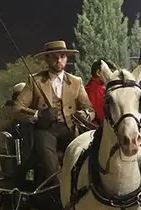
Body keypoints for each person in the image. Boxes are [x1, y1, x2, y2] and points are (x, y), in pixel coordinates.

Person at [11, 40, 94, 178]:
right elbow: (16, 109)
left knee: (82, 160)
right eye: (54, 56)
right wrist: (39, 114)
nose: (59, 60)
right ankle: (56, 188)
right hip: (45, 131)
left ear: (66, 58)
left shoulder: (76, 82)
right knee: (50, 164)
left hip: (70, 129)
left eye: (62, 56)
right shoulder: (35, 81)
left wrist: (83, 115)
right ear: (47, 59)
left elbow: (90, 110)